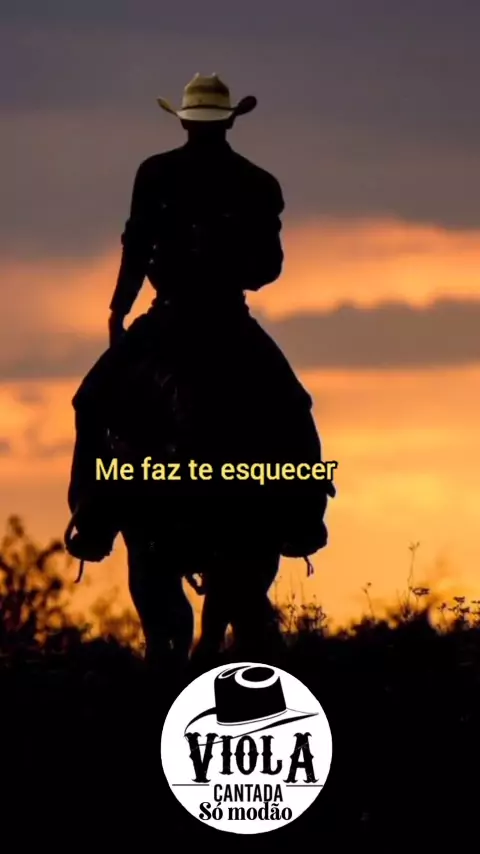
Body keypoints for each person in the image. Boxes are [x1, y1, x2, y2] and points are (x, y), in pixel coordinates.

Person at [65, 73, 334, 668]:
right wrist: (229, 262)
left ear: (184, 121)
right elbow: (268, 268)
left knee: (92, 402)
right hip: (230, 322)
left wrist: (119, 308)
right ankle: (303, 514)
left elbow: (136, 245)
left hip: (167, 319)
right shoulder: (258, 182)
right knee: (294, 408)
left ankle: (91, 518)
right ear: (230, 121)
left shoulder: (155, 172)